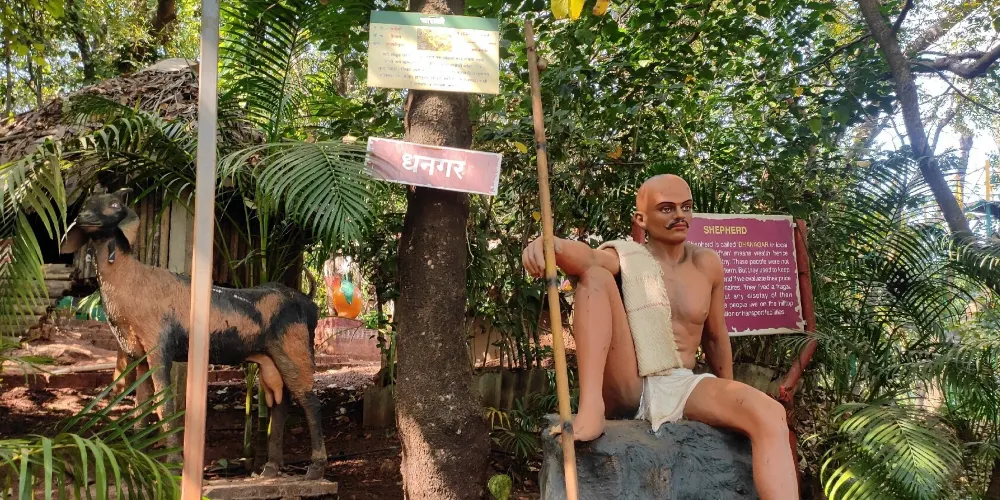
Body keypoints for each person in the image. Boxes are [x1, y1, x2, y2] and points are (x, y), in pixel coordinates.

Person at [522, 174, 797, 499]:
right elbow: (590, 259)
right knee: (594, 276)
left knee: (769, 413)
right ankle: (591, 408)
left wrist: (731, 401)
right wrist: (550, 245)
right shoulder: (628, 257)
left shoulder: (707, 264)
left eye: (686, 207)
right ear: (641, 219)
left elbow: (715, 336)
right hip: (631, 381)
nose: (680, 215)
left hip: (681, 382)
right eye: (667, 208)